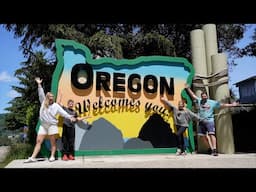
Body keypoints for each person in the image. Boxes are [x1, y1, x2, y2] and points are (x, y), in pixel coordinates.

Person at [24, 77, 76, 163]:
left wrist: (70, 117)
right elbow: (41, 93)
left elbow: (64, 113)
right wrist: (39, 84)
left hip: (52, 125)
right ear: (47, 98)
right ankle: (33, 157)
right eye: (50, 97)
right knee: (38, 141)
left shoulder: (56, 106)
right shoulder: (43, 102)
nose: (52, 98)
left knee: (52, 142)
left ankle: (52, 156)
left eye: (53, 97)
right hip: (43, 125)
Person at [185, 84, 238, 156]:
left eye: (205, 96)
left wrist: (232, 105)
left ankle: (214, 149)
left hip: (209, 121)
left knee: (211, 134)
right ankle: (210, 148)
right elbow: (193, 95)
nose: (204, 97)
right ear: (201, 97)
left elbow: (222, 105)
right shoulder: (200, 100)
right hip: (201, 121)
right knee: (203, 137)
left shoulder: (212, 102)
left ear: (207, 96)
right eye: (202, 96)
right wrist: (188, 89)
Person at [58, 96, 91, 161]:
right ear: (68, 104)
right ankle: (64, 155)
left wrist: (86, 117)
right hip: (65, 126)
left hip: (72, 128)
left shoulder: (74, 112)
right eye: (70, 103)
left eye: (72, 103)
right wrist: (60, 96)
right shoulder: (65, 109)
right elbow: (59, 103)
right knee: (65, 141)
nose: (71, 104)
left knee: (71, 142)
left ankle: (70, 155)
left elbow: (78, 119)